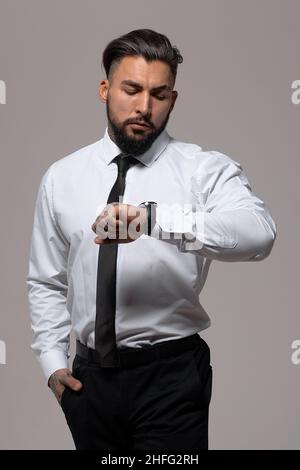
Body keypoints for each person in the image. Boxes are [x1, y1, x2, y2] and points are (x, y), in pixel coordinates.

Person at [27, 28, 276, 451]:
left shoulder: (203, 170)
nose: (144, 107)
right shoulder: (62, 177)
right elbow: (46, 280)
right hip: (89, 382)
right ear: (105, 90)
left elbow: (259, 233)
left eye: (159, 94)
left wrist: (153, 219)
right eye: (132, 89)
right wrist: (53, 365)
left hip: (171, 376)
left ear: (173, 100)